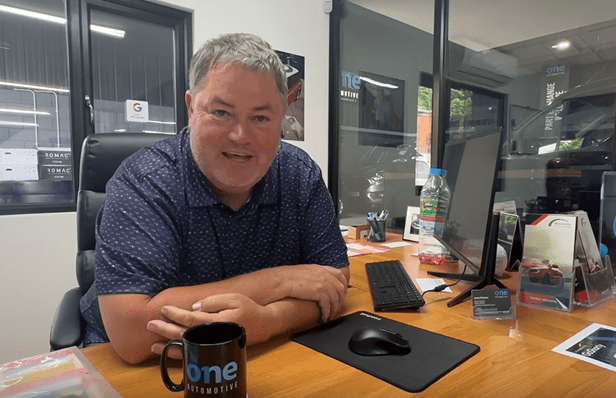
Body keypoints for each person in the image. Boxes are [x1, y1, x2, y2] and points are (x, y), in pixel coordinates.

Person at [80, 33, 350, 364]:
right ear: (192, 107)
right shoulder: (144, 183)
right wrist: (280, 280)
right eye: (221, 113)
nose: (241, 136)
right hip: (150, 368)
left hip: (261, 358)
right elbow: (132, 333)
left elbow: (334, 282)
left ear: (282, 115)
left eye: (261, 117)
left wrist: (267, 322)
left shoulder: (300, 174)